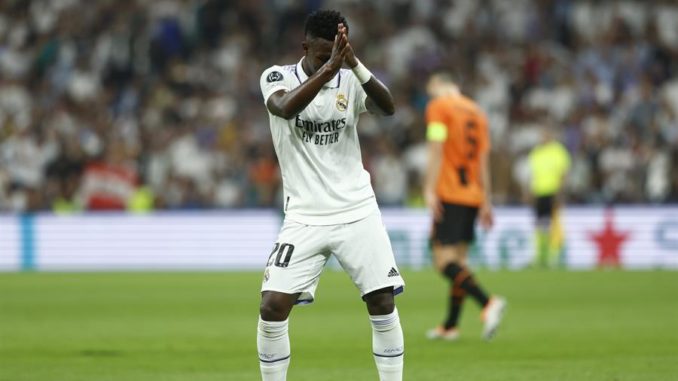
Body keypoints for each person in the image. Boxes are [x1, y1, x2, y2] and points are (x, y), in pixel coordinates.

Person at [257, 10, 405, 381]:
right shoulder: (277, 76)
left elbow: (389, 108)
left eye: (336, 53)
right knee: (273, 306)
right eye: (324, 55)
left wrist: (354, 65)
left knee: (382, 300)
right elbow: (284, 108)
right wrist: (329, 69)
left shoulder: (349, 76)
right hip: (304, 216)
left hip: (357, 210)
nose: (331, 63)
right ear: (305, 47)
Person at [423, 71, 506, 341]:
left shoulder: (439, 107)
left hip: (449, 192)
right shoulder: (477, 112)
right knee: (459, 261)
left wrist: (428, 189)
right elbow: (483, 160)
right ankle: (450, 326)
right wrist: (486, 200)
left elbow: (436, 148)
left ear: (440, 86)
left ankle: (487, 302)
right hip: (472, 195)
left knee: (443, 262)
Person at [527, 125, 571, 268]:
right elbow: (532, 175)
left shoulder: (558, 151)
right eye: (542, 134)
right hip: (539, 192)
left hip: (553, 191)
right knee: (538, 225)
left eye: (546, 134)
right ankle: (539, 256)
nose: (543, 137)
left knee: (554, 225)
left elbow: (564, 173)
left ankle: (554, 256)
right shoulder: (536, 152)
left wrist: (560, 192)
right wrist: (530, 192)